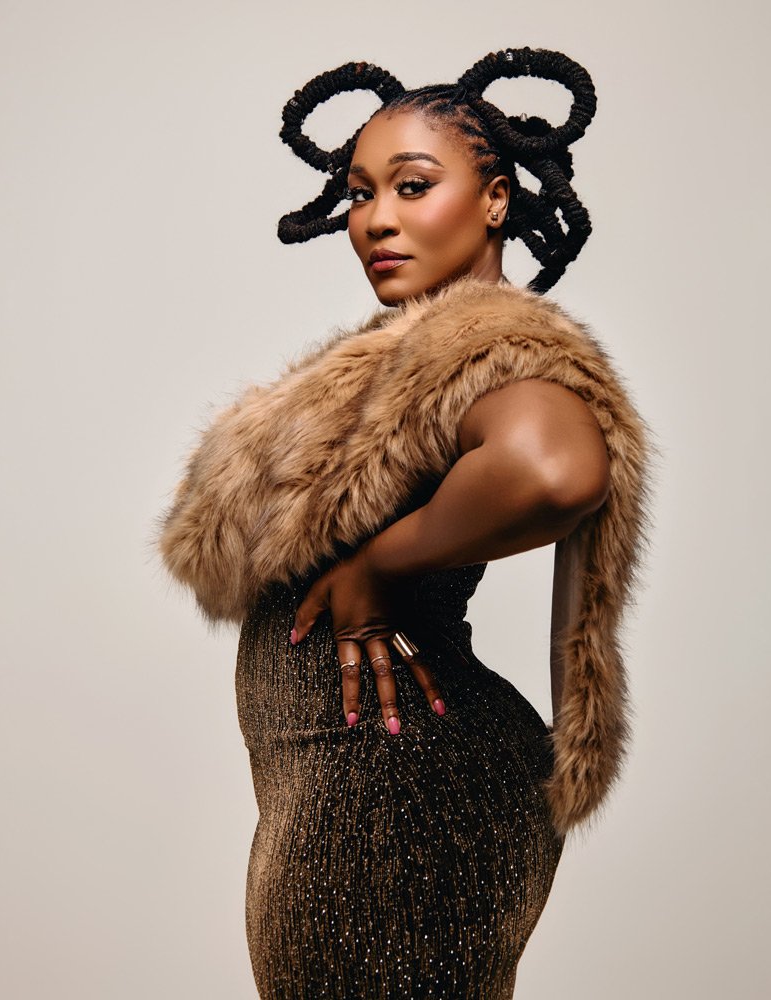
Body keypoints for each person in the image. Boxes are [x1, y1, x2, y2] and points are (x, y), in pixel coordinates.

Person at [157, 47, 651, 1000]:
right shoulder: (407, 359)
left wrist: (381, 565)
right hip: (353, 774)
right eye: (359, 193)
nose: (376, 218)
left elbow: (555, 469)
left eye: (413, 185)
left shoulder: (495, 345)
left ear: (496, 199)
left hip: (391, 785)